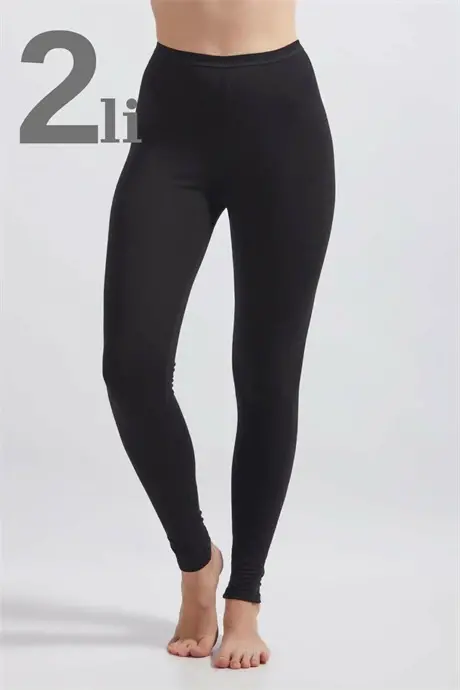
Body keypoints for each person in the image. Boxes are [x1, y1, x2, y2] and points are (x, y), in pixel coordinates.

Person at [102, 0, 336, 670]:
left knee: (267, 376)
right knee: (132, 369)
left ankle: (245, 599)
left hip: (283, 123)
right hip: (171, 120)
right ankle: (196, 560)